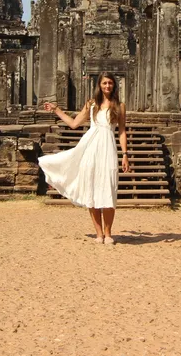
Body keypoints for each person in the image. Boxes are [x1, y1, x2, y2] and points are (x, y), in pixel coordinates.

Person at [38, 72, 130, 245]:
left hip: (109, 149)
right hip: (90, 148)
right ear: (99, 85)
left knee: (109, 189)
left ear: (114, 85)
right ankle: (99, 233)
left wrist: (125, 154)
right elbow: (74, 124)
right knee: (93, 190)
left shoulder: (120, 106)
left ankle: (108, 232)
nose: (107, 86)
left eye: (110, 83)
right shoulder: (92, 104)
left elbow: (122, 131)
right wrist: (57, 109)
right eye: (104, 83)